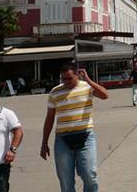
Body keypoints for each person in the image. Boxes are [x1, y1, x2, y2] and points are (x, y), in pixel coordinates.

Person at [41, 63, 109, 192]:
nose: (66, 82)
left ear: (77, 75)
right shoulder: (55, 92)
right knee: (65, 181)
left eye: (69, 78)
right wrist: (44, 143)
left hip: (86, 136)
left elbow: (105, 95)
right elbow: (49, 118)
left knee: (90, 175)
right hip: (63, 139)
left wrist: (88, 80)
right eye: (63, 79)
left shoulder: (87, 87)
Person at [0, 92, 24, 192]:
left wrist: (12, 150)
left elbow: (18, 131)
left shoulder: (7, 114)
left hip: (1, 163)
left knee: (1, 189)